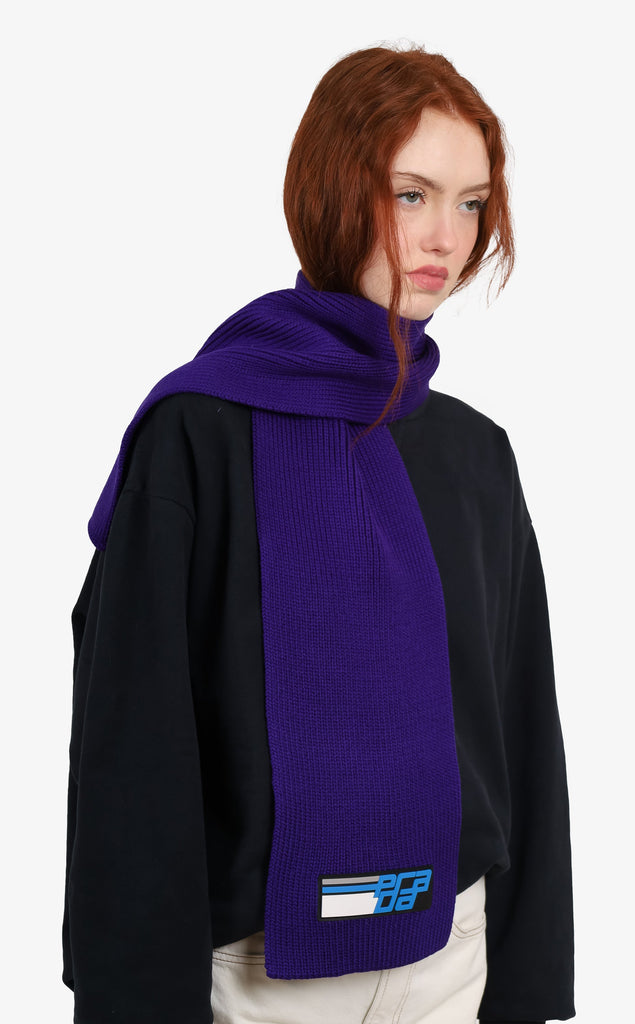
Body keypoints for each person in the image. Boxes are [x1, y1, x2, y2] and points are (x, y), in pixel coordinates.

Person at [62, 44, 575, 1024]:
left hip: (450, 952)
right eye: (410, 194)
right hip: (260, 972)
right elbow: (135, 746)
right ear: (332, 189)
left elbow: (518, 725)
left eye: (470, 203)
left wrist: (525, 981)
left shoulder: (472, 453)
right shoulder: (199, 433)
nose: (446, 237)